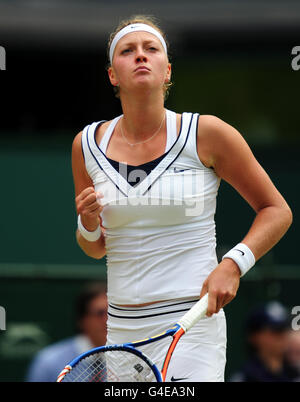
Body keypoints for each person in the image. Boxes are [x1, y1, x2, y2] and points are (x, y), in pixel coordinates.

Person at [71, 15, 293, 381]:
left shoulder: (208, 133)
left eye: (150, 49)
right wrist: (89, 224)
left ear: (167, 70)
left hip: (193, 325)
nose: (140, 56)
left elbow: (276, 210)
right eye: (128, 51)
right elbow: (94, 247)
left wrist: (233, 264)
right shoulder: (86, 146)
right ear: (113, 74)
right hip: (122, 334)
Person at [26, 282, 107, 382]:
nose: (107, 320)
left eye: (112, 313)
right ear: (82, 320)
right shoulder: (49, 362)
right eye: (100, 313)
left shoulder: (129, 362)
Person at [230, 301, 298, 382]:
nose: (282, 335)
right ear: (255, 336)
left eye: (285, 328)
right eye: (276, 330)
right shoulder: (245, 377)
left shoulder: (295, 373)